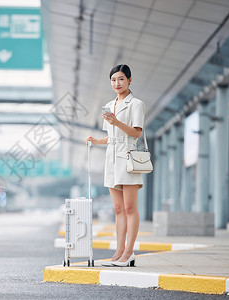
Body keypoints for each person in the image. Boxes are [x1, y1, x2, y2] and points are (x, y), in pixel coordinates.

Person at [86, 64, 145, 267]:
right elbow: (111, 137)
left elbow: (136, 133)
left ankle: (129, 252)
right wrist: (95, 140)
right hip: (111, 157)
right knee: (118, 208)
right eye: (113, 80)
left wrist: (116, 121)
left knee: (130, 207)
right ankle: (119, 251)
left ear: (130, 80)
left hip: (128, 157)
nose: (117, 83)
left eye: (120, 79)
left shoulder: (136, 104)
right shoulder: (109, 105)